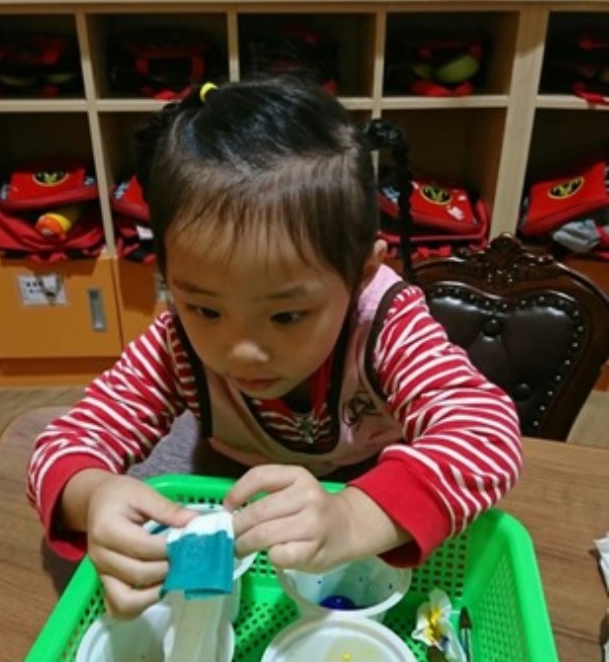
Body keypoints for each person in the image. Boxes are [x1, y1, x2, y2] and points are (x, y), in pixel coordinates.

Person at [27, 76, 522, 618]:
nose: (241, 351)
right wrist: (92, 495)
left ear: (360, 277)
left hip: (366, 504)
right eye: (205, 309)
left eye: (286, 315)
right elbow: (64, 444)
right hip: (232, 499)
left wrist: (354, 515)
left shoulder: (384, 325)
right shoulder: (176, 343)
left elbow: (486, 432)